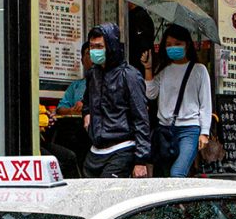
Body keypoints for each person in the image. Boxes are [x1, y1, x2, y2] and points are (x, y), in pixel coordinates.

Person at [81, 23, 150, 178]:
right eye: (92, 47)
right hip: (96, 150)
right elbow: (87, 101)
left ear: (110, 47)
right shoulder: (93, 74)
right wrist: (86, 114)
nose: (94, 51)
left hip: (121, 149)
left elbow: (141, 118)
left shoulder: (129, 76)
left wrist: (141, 160)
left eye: (99, 46)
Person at [143, 24, 211, 178]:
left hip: (190, 130)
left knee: (177, 173)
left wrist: (204, 132)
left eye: (177, 44)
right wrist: (148, 69)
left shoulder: (199, 70)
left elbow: (205, 103)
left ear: (187, 45)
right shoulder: (163, 69)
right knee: (163, 174)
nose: (172, 48)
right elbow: (151, 94)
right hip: (165, 130)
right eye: (168, 45)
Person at [47, 44, 93, 178]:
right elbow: (60, 109)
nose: (91, 57)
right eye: (87, 54)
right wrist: (72, 109)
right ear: (82, 60)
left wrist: (86, 106)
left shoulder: (107, 82)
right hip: (75, 131)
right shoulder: (76, 86)